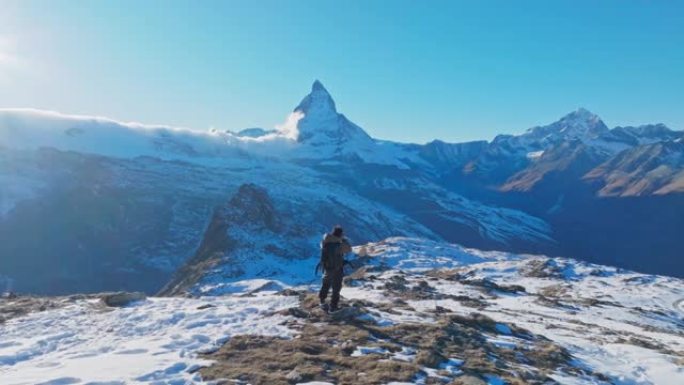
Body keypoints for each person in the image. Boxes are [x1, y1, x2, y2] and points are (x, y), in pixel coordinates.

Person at [318, 225, 352, 312]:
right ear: (340, 234)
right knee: (336, 288)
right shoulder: (339, 244)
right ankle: (333, 306)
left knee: (325, 284)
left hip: (327, 267)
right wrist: (343, 240)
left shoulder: (325, 241)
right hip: (337, 268)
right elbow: (349, 249)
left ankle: (322, 301)